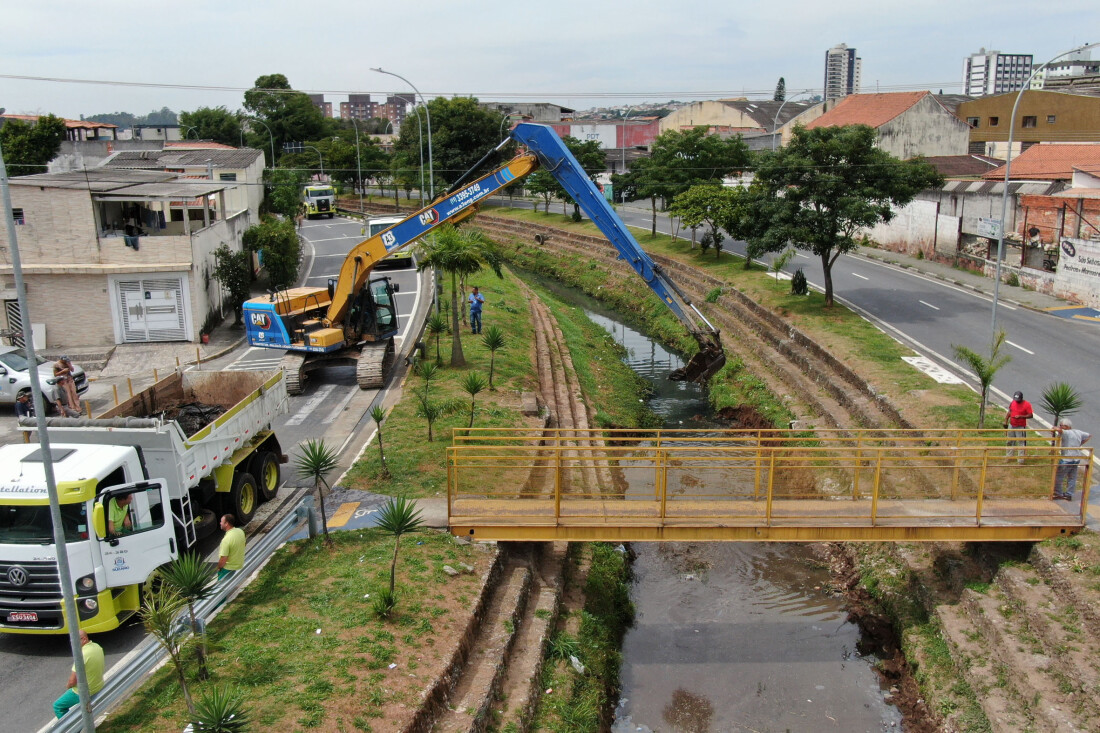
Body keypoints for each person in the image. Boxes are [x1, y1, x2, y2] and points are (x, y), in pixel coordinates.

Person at [53, 630, 104, 719]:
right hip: (99, 685)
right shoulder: (97, 646)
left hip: (85, 691)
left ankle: (71, 728)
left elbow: (72, 681)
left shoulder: (81, 655)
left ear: (84, 639)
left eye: (74, 642)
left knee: (58, 706)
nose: (72, 645)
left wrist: (68, 686)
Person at [1053, 419, 1092, 501]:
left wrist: (1054, 428)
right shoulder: (1078, 432)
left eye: (1061, 425)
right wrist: (1080, 444)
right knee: (1072, 477)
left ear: (1066, 427)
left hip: (1067, 459)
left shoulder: (1066, 432)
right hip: (1076, 458)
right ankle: (1069, 494)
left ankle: (1058, 493)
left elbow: (1058, 430)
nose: (1060, 427)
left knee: (1059, 476)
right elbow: (1089, 435)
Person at [1003, 391, 1033, 461]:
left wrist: (1021, 416)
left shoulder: (1027, 404)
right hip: (1011, 425)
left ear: (1022, 398)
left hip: (1020, 426)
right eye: (1016, 400)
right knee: (1009, 441)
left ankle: (1020, 460)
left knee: (1021, 443)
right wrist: (1006, 420)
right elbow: (1010, 411)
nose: (1017, 401)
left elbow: (1030, 415)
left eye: (1018, 400)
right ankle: (1009, 457)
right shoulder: (1013, 402)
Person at [217, 514, 246, 581]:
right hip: (239, 565)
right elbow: (244, 544)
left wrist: (219, 567)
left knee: (221, 587)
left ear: (226, 523)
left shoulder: (226, 540)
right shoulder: (240, 531)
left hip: (228, 569)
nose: (220, 523)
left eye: (221, 521)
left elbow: (223, 559)